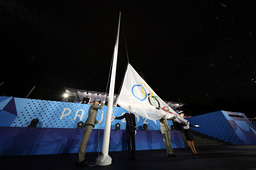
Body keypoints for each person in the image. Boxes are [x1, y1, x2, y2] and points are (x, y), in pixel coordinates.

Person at [77, 99, 105, 166]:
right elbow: (101, 107)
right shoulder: (92, 105)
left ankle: (82, 159)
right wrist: (103, 103)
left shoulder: (94, 109)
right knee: (84, 142)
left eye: (99, 102)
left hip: (90, 124)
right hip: (89, 124)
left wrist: (97, 121)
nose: (98, 103)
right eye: (98, 102)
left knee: (85, 142)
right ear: (95, 101)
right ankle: (80, 160)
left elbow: (92, 117)